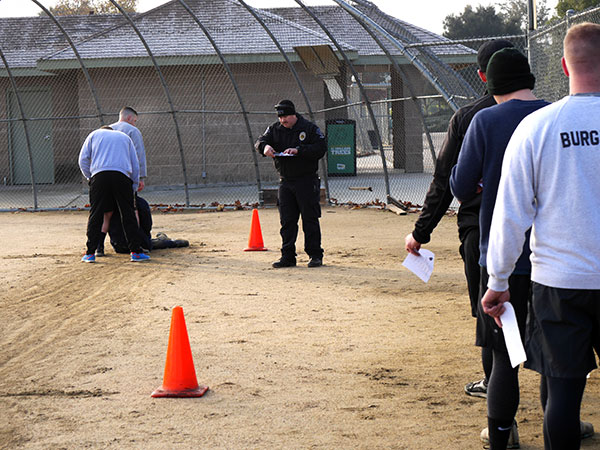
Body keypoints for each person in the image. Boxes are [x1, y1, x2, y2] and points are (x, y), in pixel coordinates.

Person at [481, 22, 600, 450]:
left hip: (559, 282)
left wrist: (497, 282)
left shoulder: (537, 127)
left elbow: (510, 214)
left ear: (565, 65)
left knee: (563, 393)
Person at [450, 47, 549, 449]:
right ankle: (563, 423)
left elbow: (459, 184)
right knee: (556, 358)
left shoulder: (484, 120)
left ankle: (503, 435)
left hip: (502, 257)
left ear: (489, 84)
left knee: (506, 356)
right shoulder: (553, 115)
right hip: (551, 256)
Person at [405, 39, 514, 400]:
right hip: (536, 235)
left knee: (491, 315)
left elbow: (446, 181)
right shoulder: (546, 114)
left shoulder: (470, 117)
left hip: (481, 230)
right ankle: (560, 402)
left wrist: (421, 232)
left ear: (484, 75)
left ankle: (496, 395)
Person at [254, 99, 327, 268]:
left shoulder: (308, 128)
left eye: (286, 116)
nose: (283, 120)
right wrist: (264, 148)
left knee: (310, 219)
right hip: (286, 182)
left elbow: (320, 147)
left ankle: (315, 255)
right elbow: (260, 141)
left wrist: (299, 150)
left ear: (293, 114)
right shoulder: (275, 129)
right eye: (280, 117)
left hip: (306, 181)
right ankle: (288, 256)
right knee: (287, 220)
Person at [78, 125, 150, 262]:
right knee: (128, 213)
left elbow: (83, 160)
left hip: (99, 175)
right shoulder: (125, 137)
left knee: (96, 213)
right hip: (121, 176)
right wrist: (134, 184)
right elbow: (135, 164)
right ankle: (135, 251)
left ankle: (90, 253)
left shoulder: (94, 134)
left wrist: (91, 177)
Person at [96, 106, 147, 257]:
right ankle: (137, 246)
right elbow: (138, 156)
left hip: (102, 177)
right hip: (123, 177)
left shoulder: (105, 130)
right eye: (135, 121)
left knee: (106, 213)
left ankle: (99, 247)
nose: (135, 124)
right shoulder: (132, 131)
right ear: (130, 118)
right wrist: (140, 178)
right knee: (132, 210)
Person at [107, 195, 189, 254]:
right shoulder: (140, 202)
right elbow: (147, 226)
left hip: (118, 246)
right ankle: (169, 241)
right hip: (140, 245)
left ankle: (161, 239)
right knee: (149, 242)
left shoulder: (109, 204)